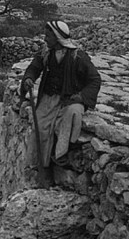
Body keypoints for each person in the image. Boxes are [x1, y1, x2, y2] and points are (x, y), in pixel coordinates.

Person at [19, 20, 101, 185]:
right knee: (40, 127)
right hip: (49, 99)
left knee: (65, 122)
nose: (45, 39)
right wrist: (28, 78)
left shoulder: (78, 57)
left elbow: (94, 79)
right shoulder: (46, 53)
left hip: (69, 100)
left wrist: (82, 97)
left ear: (57, 38)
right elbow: (34, 68)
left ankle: (59, 156)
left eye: (48, 35)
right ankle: (42, 167)